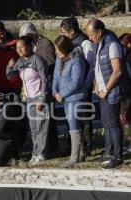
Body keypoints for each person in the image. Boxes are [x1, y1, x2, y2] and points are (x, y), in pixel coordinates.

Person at [86, 18, 125, 169]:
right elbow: (98, 67)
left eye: (91, 34)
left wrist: (106, 90)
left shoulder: (112, 44)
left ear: (99, 32)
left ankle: (118, 157)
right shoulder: (99, 44)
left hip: (111, 91)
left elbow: (118, 71)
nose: (89, 38)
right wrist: (96, 85)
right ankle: (109, 152)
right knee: (106, 123)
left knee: (113, 124)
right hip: (102, 91)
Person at [7, 36, 49, 164]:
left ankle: (41, 154)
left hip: (39, 98)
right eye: (17, 47)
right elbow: (10, 77)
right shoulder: (20, 61)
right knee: (34, 129)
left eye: (22, 46)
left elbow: (45, 80)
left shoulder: (38, 60)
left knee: (42, 127)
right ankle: (35, 153)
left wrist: (41, 99)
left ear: (29, 46)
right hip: (29, 99)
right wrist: (9, 66)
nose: (19, 49)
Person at [19, 22, 57, 156]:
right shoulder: (31, 46)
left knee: (47, 123)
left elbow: (52, 64)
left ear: (31, 34)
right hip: (32, 91)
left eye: (25, 37)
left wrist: (39, 69)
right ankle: (43, 150)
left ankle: (50, 149)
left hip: (44, 88)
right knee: (38, 124)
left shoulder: (45, 44)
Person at [60, 16, 96, 156]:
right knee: (73, 117)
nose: (62, 35)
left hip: (82, 88)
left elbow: (92, 66)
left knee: (84, 117)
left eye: (64, 32)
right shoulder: (71, 41)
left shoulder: (84, 42)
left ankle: (86, 147)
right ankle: (75, 147)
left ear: (72, 31)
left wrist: (86, 85)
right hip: (73, 88)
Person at [52, 35, 86, 168]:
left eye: (58, 50)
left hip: (76, 97)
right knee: (73, 124)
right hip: (64, 98)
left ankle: (74, 158)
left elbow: (76, 81)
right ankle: (81, 153)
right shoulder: (58, 59)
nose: (57, 52)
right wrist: (55, 91)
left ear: (65, 48)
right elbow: (55, 77)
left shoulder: (76, 59)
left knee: (73, 125)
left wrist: (62, 93)